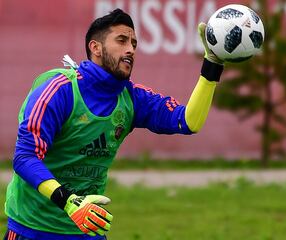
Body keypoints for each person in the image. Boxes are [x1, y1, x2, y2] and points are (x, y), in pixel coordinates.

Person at [3, 8, 225, 240]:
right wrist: (69, 202)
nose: (130, 49)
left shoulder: (132, 98)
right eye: (121, 40)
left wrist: (212, 64)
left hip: (87, 229)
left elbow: (189, 121)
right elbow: (25, 158)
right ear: (95, 47)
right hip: (32, 228)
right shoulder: (60, 91)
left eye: (134, 43)